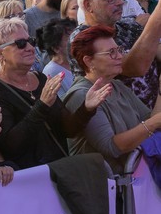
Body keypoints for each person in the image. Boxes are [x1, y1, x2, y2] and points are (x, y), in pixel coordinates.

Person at [0, 18, 111, 170]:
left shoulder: (40, 78)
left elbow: (67, 130)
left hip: (60, 171)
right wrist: (42, 105)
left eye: (31, 41)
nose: (29, 47)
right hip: (28, 180)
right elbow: (10, 147)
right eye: (21, 44)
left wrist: (86, 108)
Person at [66, 25, 161, 174]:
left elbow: (150, 118)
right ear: (89, 61)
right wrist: (153, 123)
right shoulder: (81, 95)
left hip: (133, 184)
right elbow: (112, 147)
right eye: (111, 52)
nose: (120, 56)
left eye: (119, 50)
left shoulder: (116, 85)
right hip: (103, 190)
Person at [72, 0, 161, 109]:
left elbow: (156, 50)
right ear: (88, 5)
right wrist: (158, 15)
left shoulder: (128, 25)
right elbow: (134, 67)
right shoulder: (81, 39)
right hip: (128, 122)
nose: (120, 3)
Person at [37, 18, 77, 98]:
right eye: (71, 39)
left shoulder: (78, 61)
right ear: (56, 48)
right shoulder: (51, 72)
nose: (77, 41)